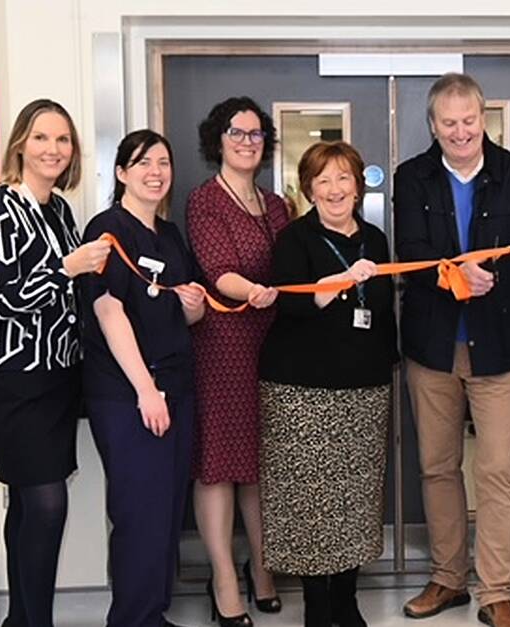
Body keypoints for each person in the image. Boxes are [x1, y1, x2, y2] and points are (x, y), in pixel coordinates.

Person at [393, 72, 510, 627]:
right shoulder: (412, 176)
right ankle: (447, 579)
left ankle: (495, 591)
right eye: (449, 123)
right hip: (433, 348)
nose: (461, 132)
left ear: (482, 119)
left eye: (469, 121)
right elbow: (414, 255)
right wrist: (454, 277)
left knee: (498, 469)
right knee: (438, 467)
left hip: (497, 349)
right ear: (433, 125)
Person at [0, 98, 110, 627]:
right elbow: (4, 296)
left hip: (56, 375)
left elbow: (70, 298)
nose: (53, 149)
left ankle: (22, 619)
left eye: (63, 140)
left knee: (28, 502)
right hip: (10, 376)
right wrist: (68, 266)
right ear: (21, 143)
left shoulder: (59, 211)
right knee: (47, 504)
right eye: (43, 137)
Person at [256, 141, 398, 627]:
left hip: (364, 390)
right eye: (324, 180)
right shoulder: (294, 240)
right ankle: (317, 604)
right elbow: (291, 305)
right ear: (309, 189)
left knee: (354, 500)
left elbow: (382, 311)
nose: (335, 189)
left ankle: (347, 598)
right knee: (311, 503)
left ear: (358, 185)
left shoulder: (376, 239)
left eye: (344, 178)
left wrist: (387, 366)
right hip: (303, 392)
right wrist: (340, 280)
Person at [80, 129, 206, 627]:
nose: (155, 172)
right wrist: (145, 390)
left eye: (163, 162)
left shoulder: (170, 235)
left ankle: (151, 613)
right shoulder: (107, 230)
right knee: (140, 514)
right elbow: (109, 310)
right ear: (121, 173)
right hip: (130, 393)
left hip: (175, 386)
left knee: (167, 511)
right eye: (143, 163)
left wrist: (193, 306)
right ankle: (132, 619)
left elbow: (183, 315)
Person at [186, 96, 290, 626]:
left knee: (260, 460)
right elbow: (216, 269)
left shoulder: (277, 206)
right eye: (237, 132)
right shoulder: (205, 201)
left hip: (271, 343)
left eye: (255, 134)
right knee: (220, 462)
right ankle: (224, 575)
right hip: (224, 342)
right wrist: (253, 290)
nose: (247, 141)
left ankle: (264, 565)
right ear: (217, 139)